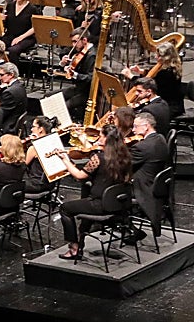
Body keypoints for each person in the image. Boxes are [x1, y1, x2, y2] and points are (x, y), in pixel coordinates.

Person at [55, 124, 133, 260]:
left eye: (101, 136)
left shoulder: (98, 158)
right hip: (119, 203)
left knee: (65, 208)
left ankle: (74, 247)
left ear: (106, 140)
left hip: (100, 204)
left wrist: (65, 160)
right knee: (84, 208)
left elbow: (79, 175)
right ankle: (80, 240)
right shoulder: (125, 157)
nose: (98, 138)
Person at [129, 110, 170, 242]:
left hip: (143, 187)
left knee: (109, 193)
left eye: (135, 126)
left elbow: (122, 164)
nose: (133, 130)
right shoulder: (160, 138)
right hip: (156, 183)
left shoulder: (142, 147)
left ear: (146, 126)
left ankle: (130, 230)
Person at [0, 0, 39, 66]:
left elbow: (35, 27)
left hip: (26, 38)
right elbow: (6, 25)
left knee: (13, 50)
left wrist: (20, 38)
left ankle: (13, 72)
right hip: (10, 35)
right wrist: (2, 20)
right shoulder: (10, 5)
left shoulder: (33, 9)